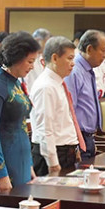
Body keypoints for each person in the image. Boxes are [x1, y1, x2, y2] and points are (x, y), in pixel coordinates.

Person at [0, 31, 38, 205]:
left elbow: (21, 125)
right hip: (0, 160)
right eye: (30, 61)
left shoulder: (16, 82)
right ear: (16, 58)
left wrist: (28, 164)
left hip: (19, 157)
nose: (32, 66)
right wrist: (0, 174)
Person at [30, 36, 83, 175]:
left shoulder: (58, 82)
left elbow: (65, 120)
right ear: (54, 58)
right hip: (53, 154)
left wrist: (75, 148)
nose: (73, 63)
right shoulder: (46, 86)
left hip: (65, 151)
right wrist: (53, 163)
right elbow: (45, 129)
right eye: (70, 58)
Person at [65, 30, 105, 161]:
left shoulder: (88, 70)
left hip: (89, 137)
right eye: (103, 50)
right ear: (89, 49)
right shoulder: (75, 71)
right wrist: (76, 145)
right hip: (79, 139)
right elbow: (70, 111)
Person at [23, 28, 51, 92]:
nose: (47, 47)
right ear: (38, 40)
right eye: (46, 43)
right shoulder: (27, 57)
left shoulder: (41, 57)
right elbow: (25, 80)